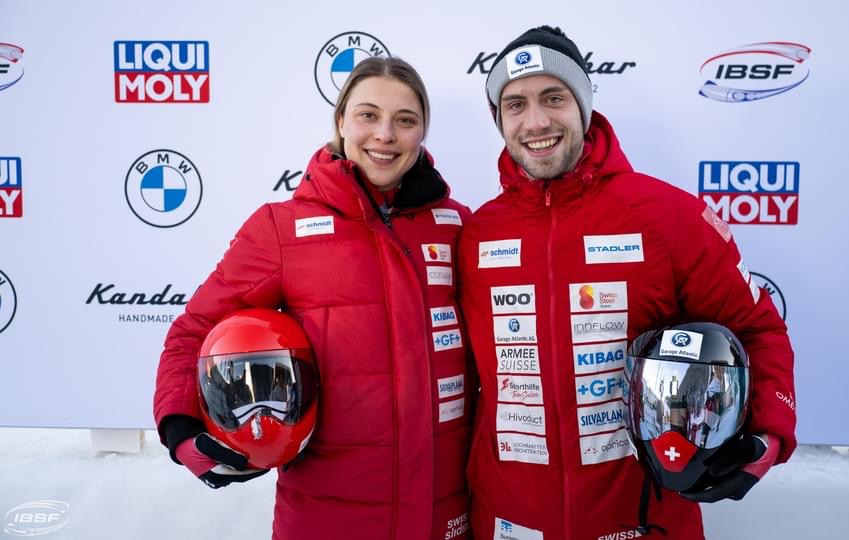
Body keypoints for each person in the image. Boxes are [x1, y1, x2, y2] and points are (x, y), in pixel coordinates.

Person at [457, 26, 797, 539]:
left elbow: (757, 329)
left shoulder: (669, 216)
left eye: (554, 98)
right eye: (515, 104)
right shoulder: (476, 233)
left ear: (585, 105)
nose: (537, 121)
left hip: (643, 518)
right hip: (509, 517)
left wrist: (766, 434)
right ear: (498, 119)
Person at [154, 57, 473, 540]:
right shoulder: (280, 229)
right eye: (368, 115)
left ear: (421, 132)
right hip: (327, 517)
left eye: (405, 120)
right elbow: (194, 332)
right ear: (341, 121)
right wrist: (180, 429)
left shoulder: (458, 226)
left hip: (445, 514)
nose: (385, 134)